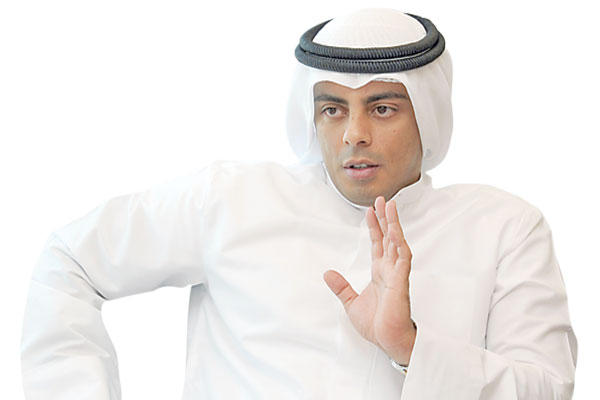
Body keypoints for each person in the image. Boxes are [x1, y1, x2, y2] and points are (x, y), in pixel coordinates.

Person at [21, 8, 577, 399]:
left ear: (427, 114)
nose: (353, 134)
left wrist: (409, 346)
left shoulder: (504, 227)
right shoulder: (232, 201)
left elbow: (548, 389)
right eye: (333, 109)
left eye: (382, 108)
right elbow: (70, 262)